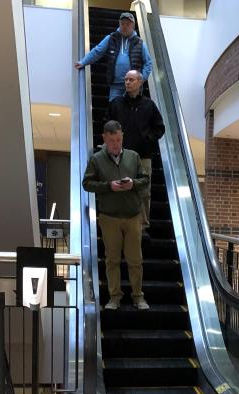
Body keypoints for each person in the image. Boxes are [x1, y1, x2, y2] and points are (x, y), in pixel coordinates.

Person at [82, 120, 150, 311]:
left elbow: (145, 180)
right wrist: (108, 186)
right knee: (112, 260)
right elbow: (86, 183)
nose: (116, 145)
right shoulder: (97, 159)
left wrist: (133, 184)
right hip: (109, 217)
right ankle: (114, 297)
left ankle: (138, 297)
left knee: (135, 260)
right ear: (104, 139)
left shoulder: (133, 156)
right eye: (112, 141)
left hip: (133, 216)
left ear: (122, 138)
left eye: (119, 140)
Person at [107, 69, 164, 233]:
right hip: (120, 156)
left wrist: (148, 140)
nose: (127, 82)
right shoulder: (116, 103)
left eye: (131, 80)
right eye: (125, 80)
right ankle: (119, 224)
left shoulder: (149, 105)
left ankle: (142, 225)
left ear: (140, 82)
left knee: (143, 191)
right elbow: (106, 125)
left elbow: (159, 128)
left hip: (142, 156)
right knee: (119, 189)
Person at [75, 11, 153, 106]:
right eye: (122, 24)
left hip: (134, 86)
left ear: (133, 26)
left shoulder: (140, 43)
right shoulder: (111, 38)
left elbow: (148, 63)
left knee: (132, 111)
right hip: (115, 85)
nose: (124, 26)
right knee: (114, 109)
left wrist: (141, 79)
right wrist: (83, 62)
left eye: (127, 24)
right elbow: (97, 51)